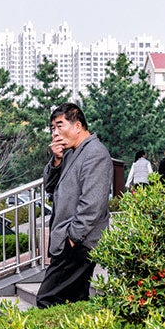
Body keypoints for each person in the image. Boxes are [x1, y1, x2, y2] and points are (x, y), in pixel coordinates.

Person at [36, 102, 113, 308]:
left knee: (47, 299)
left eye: (60, 125)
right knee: (75, 300)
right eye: (53, 128)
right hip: (69, 241)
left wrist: (72, 238)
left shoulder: (95, 152)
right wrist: (57, 160)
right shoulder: (69, 153)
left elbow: (92, 203)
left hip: (79, 243)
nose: (55, 132)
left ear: (77, 126)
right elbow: (50, 187)